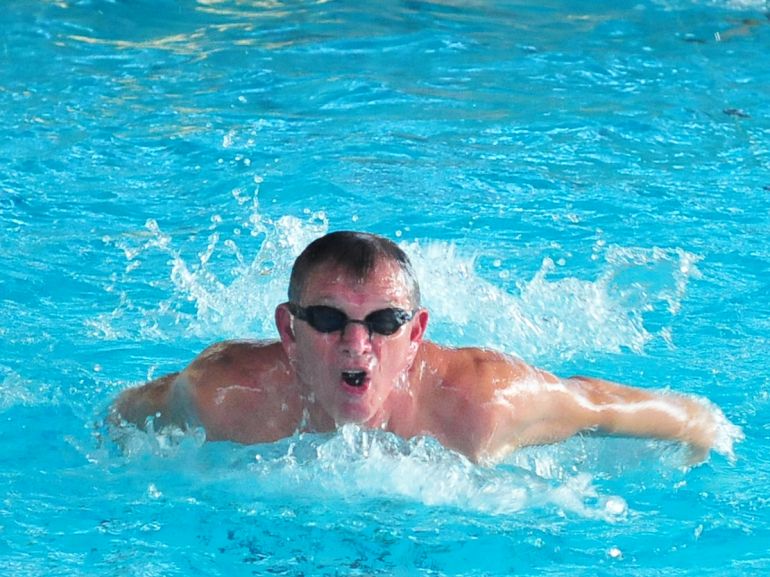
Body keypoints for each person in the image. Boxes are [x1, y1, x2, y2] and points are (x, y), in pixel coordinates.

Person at [113, 231, 741, 464]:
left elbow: (597, 405)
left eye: (384, 322)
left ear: (414, 336)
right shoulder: (229, 394)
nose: (356, 343)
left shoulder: (479, 406)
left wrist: (698, 425)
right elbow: (125, 414)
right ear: (288, 330)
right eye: (329, 319)